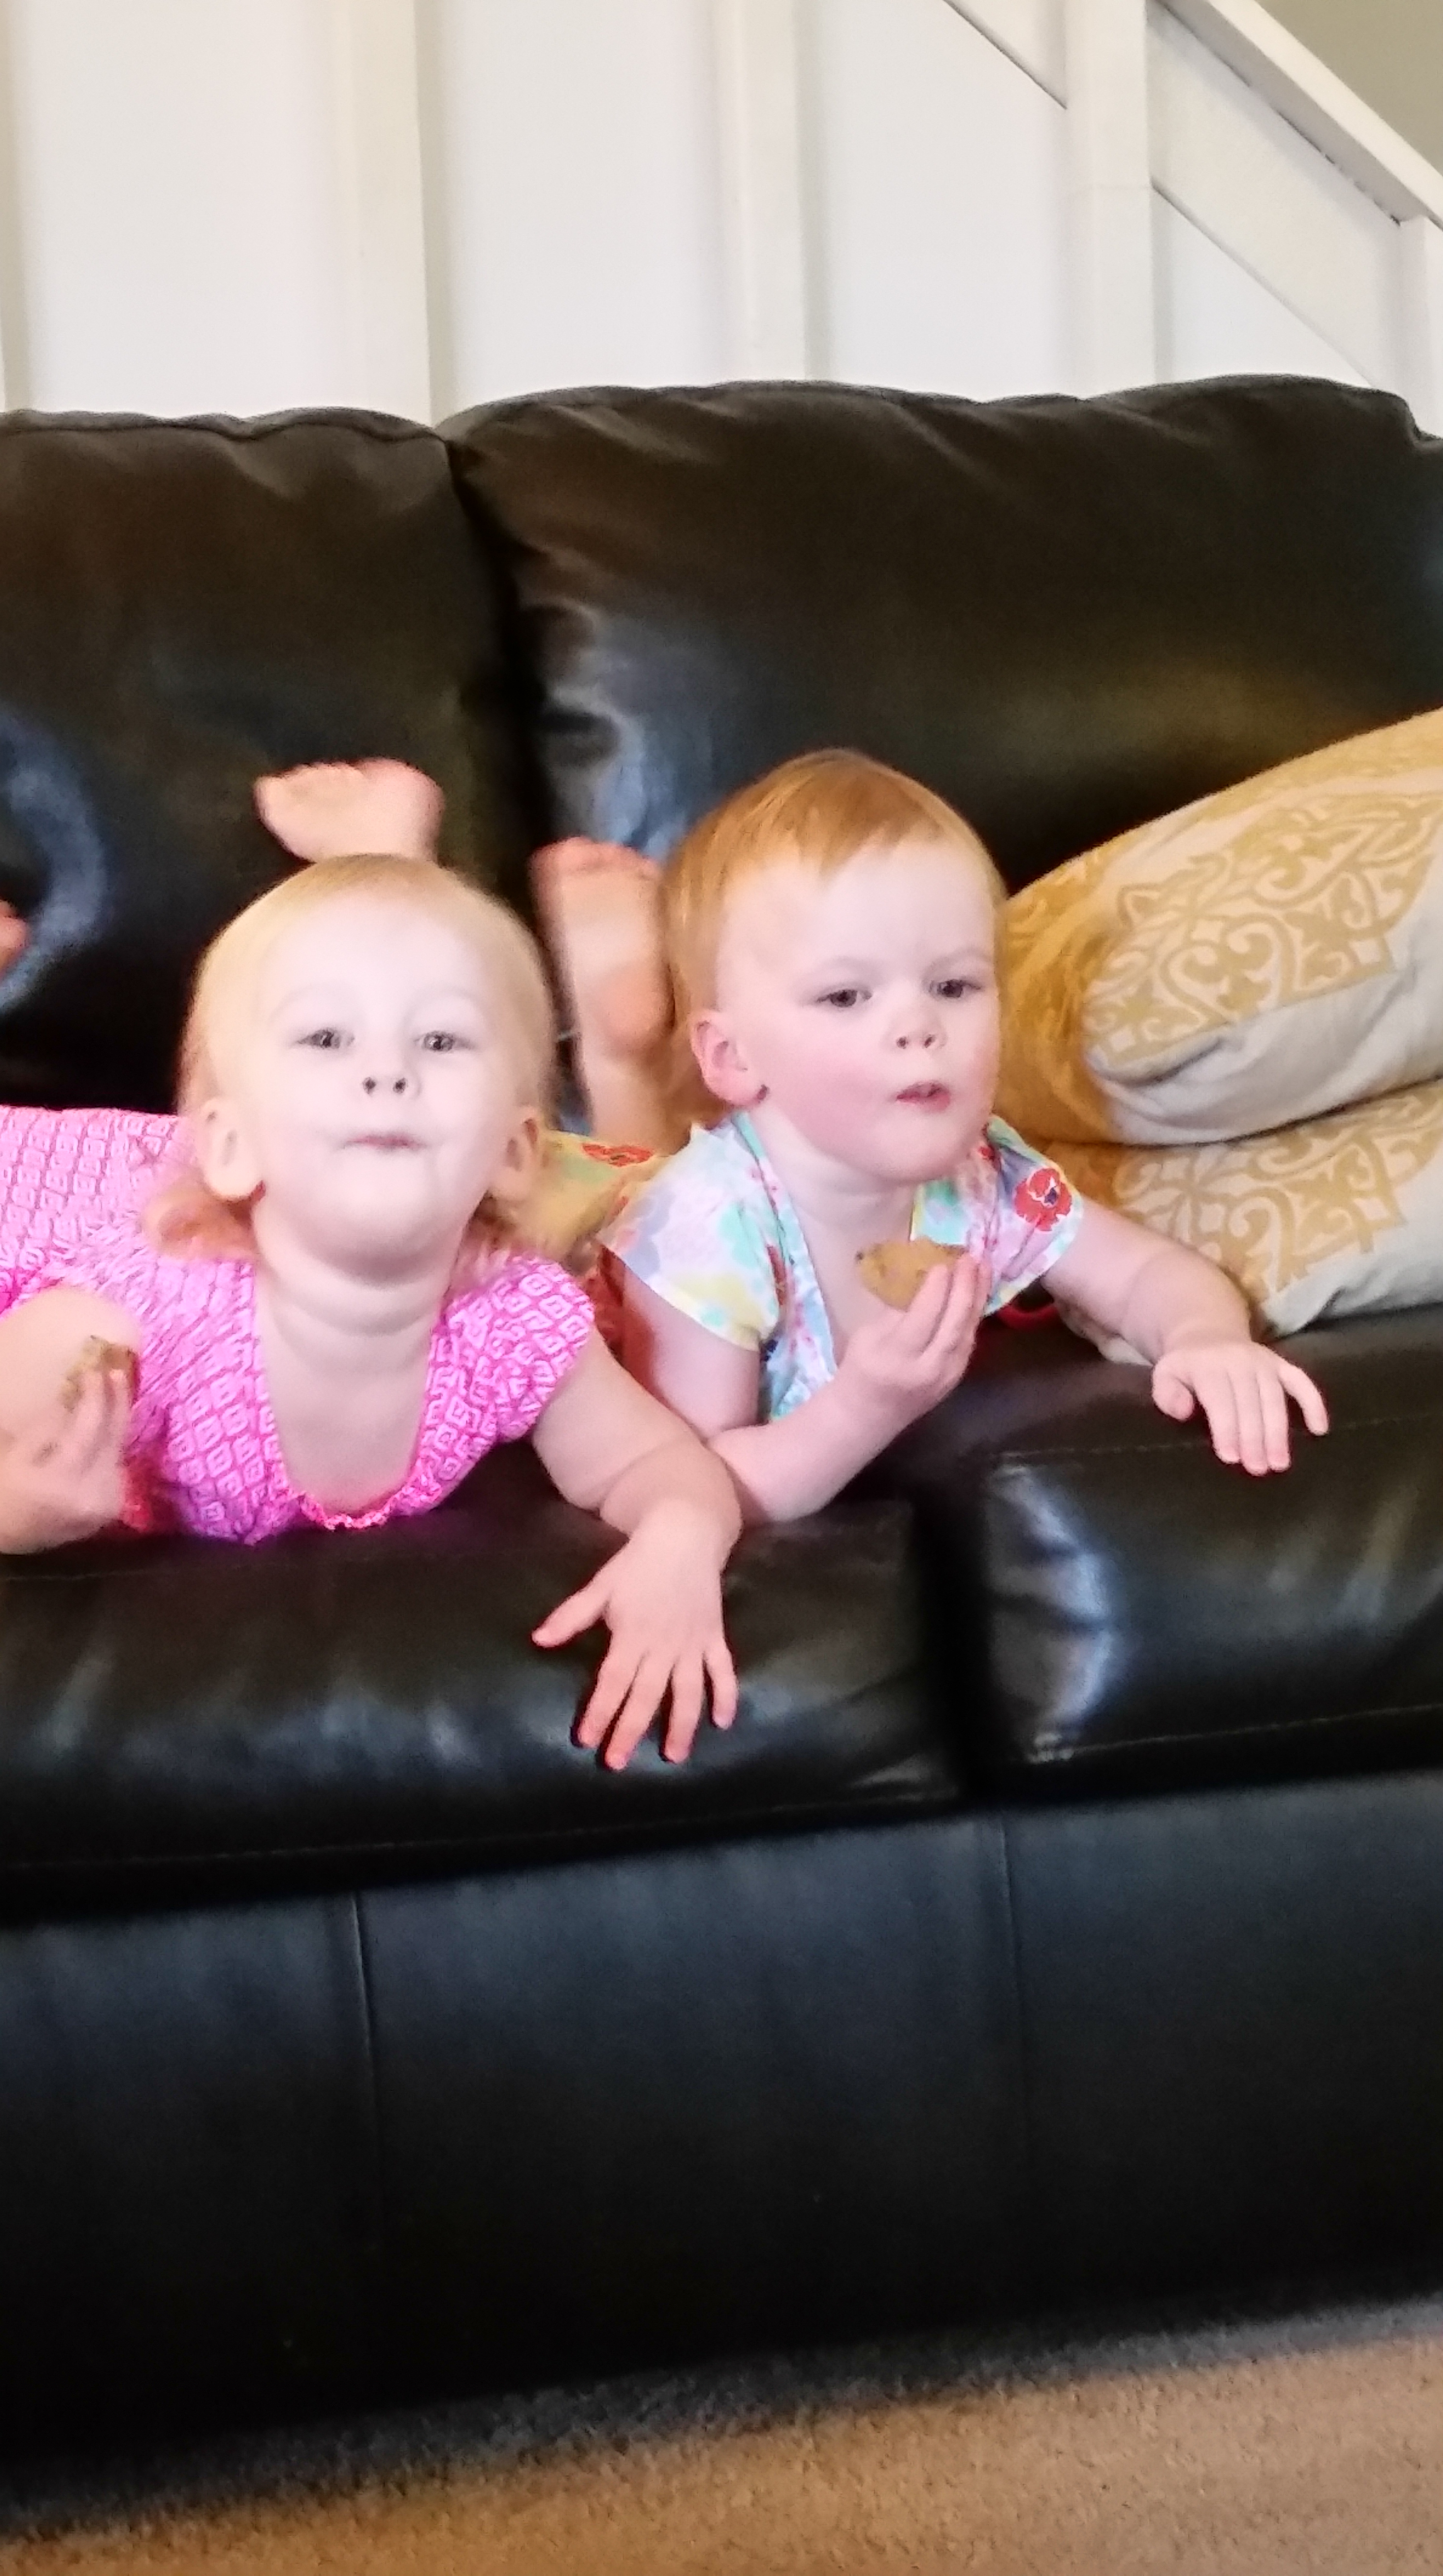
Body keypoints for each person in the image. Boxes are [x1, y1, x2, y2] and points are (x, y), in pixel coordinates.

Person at [0, 789, 741, 1772]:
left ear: (516, 1150)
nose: (388, 1072)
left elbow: (653, 1462)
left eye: (441, 1042)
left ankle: (385, 867)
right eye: (326, 1040)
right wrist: (16, 1514)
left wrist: (683, 1543)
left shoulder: (511, 1318)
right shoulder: (133, 1317)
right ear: (229, 1145)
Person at [571, 749, 1331, 1522]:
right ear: (736, 1056)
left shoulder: (981, 1176)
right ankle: (618, 1049)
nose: (919, 1024)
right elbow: (688, 1488)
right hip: (596, 1224)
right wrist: (863, 1410)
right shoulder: (702, 1232)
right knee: (615, 1177)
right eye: (846, 996)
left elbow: (1143, 1274)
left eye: (954, 985)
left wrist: (1205, 1338)